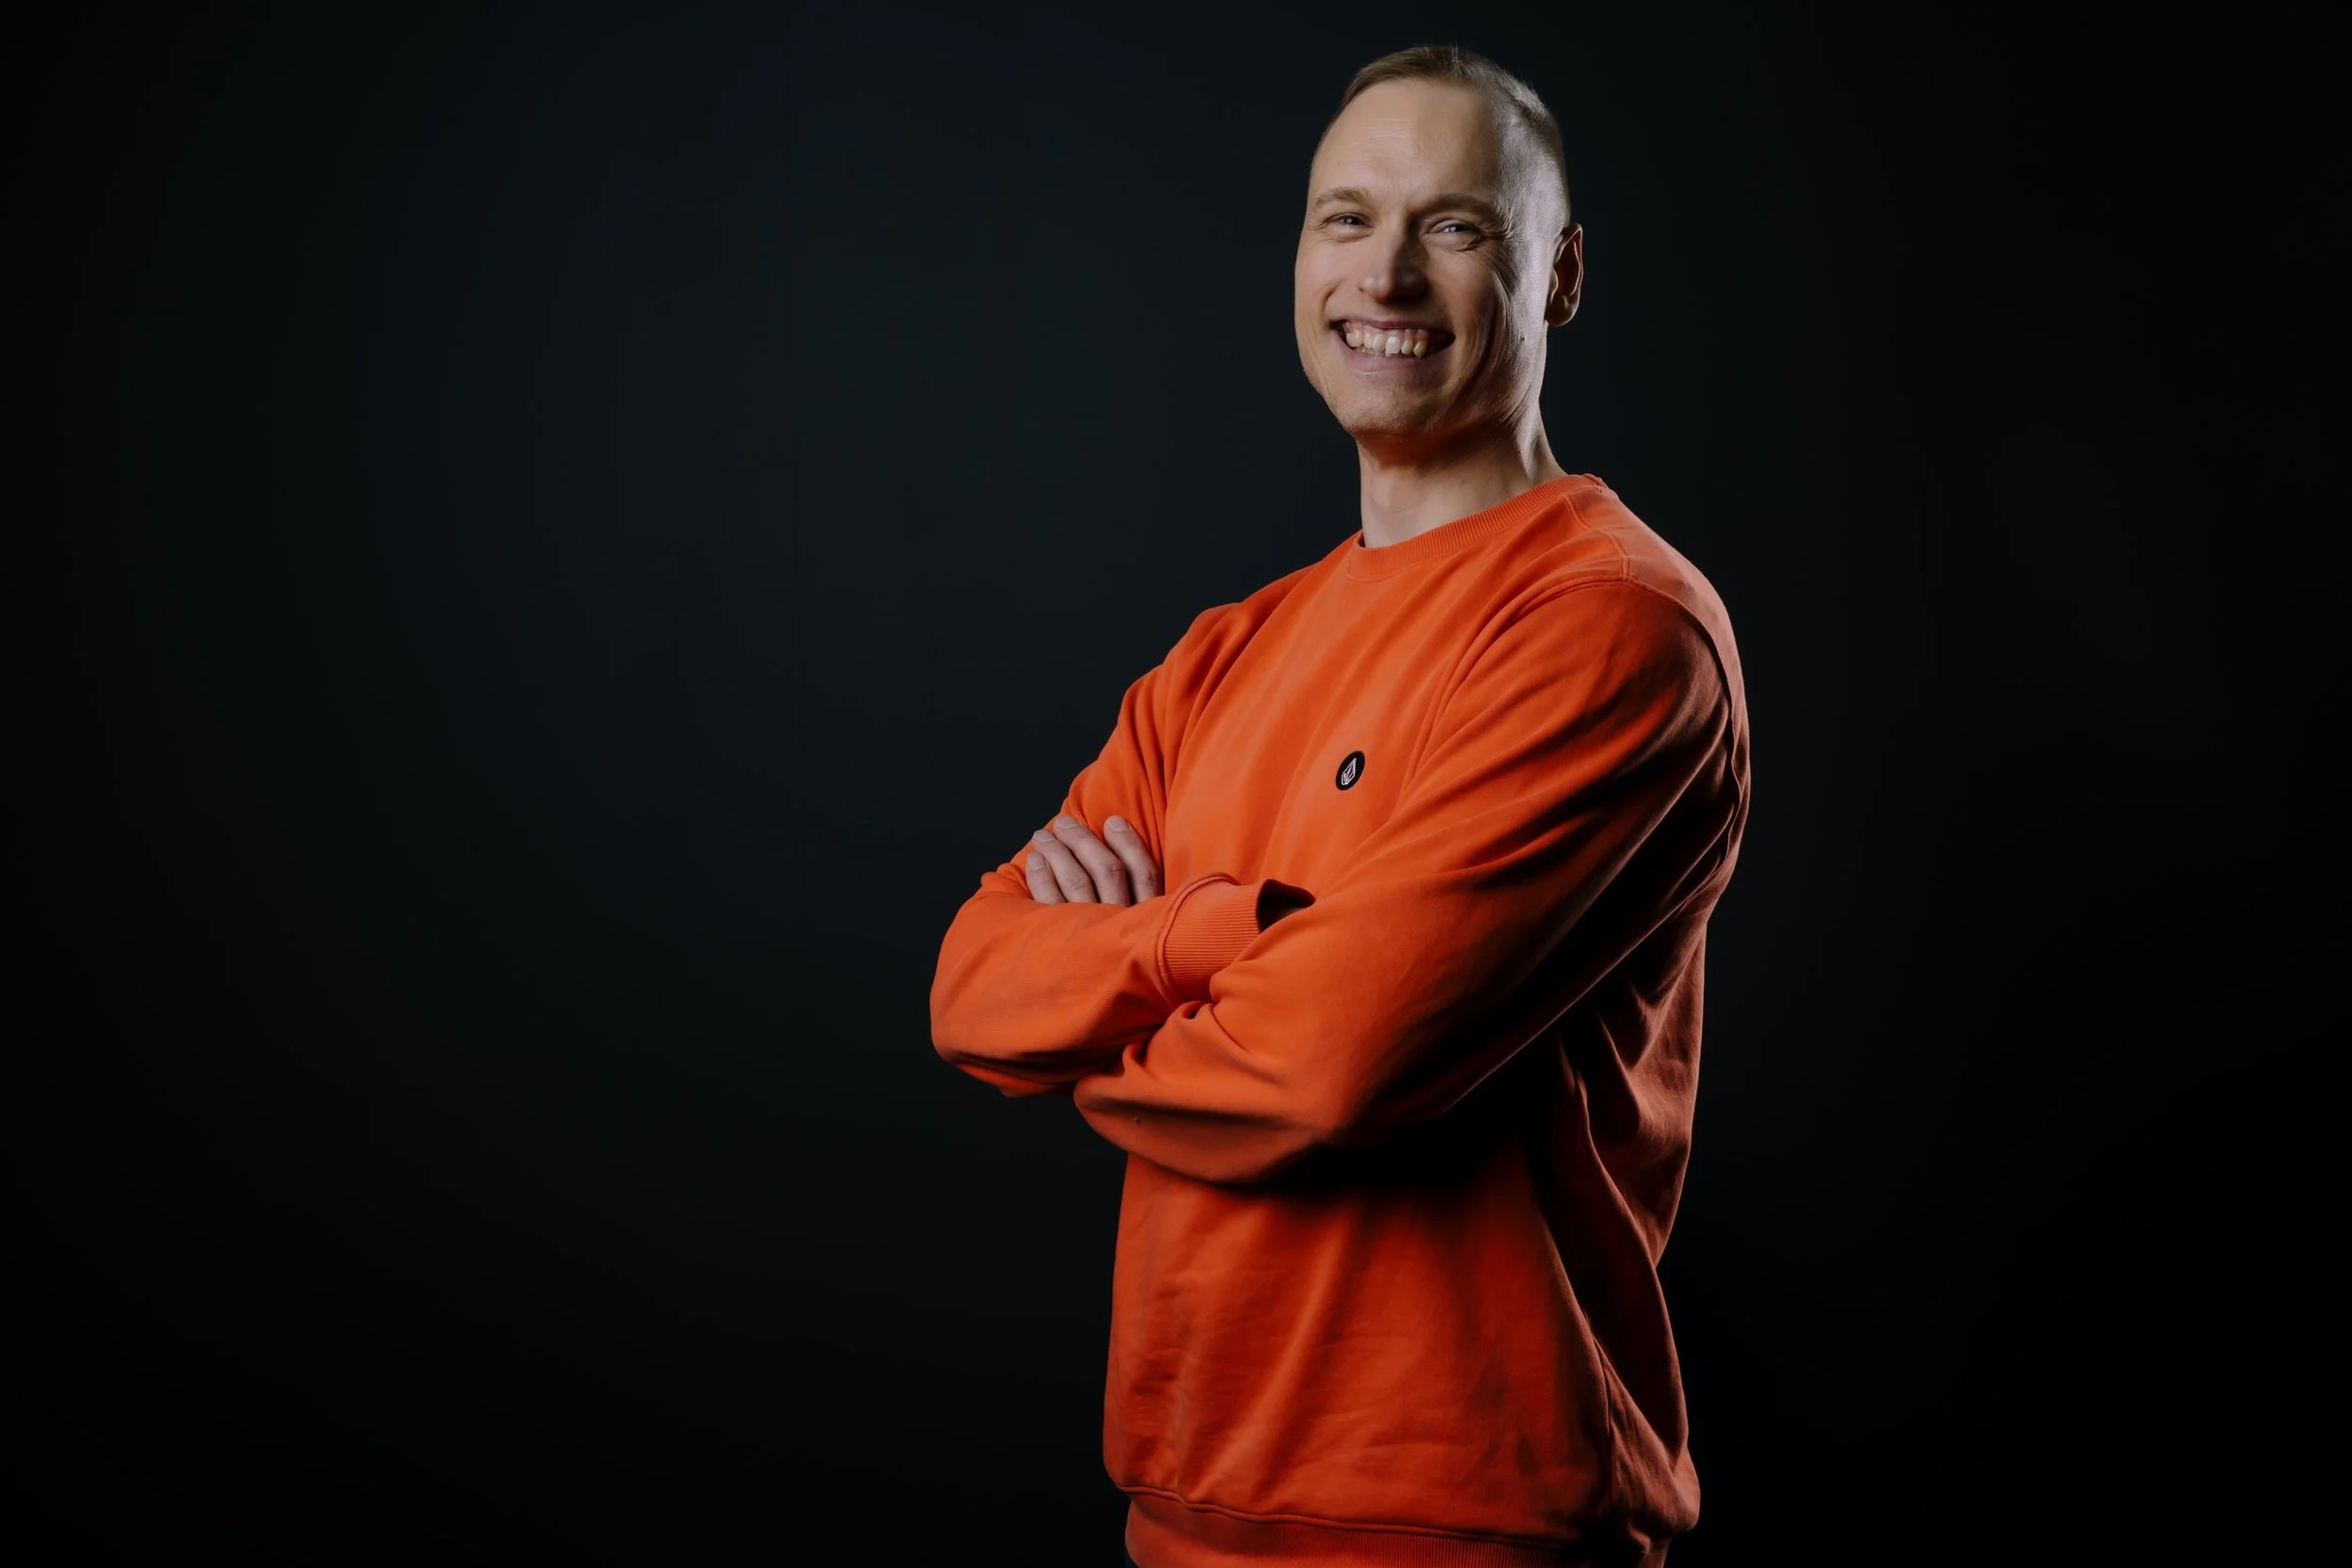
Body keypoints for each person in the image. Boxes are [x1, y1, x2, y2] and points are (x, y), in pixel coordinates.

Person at [930, 42, 1749, 1568]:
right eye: (1346, 218)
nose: (1386, 273)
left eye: (1455, 225)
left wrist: (1102, 1009)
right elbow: (973, 986)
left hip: (1459, 1526)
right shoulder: (1224, 653)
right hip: (1180, 1505)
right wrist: (1218, 945)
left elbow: (1330, 1061)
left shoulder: (1612, 627)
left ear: (1560, 274)